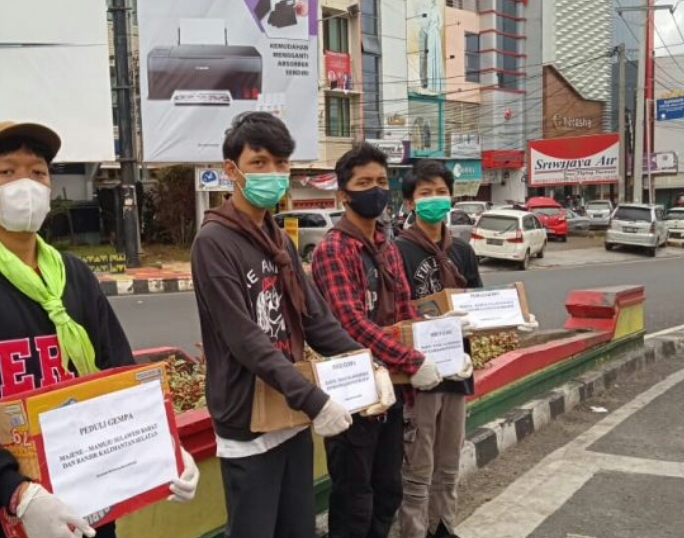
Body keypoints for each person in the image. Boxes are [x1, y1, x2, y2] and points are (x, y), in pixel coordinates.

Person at [0, 121, 199, 538]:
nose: (25, 184)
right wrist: (20, 495)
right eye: (6, 172)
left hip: (89, 513)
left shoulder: (75, 277)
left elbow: (121, 382)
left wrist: (165, 451)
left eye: (38, 172)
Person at [191, 112, 390, 538]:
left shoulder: (278, 239)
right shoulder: (214, 243)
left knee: (297, 529)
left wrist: (369, 366)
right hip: (248, 421)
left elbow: (316, 318)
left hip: (289, 412)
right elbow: (246, 340)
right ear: (232, 170)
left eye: (281, 164)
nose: (274, 174)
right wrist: (317, 401)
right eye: (260, 163)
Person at [395, 159, 536, 538]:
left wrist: (512, 322)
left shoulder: (462, 250)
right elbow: (397, 316)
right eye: (425, 194)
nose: (434, 200)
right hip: (419, 374)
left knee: (449, 459)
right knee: (418, 463)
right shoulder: (397, 252)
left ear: (451, 197)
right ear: (409, 203)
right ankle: (414, 530)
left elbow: (478, 304)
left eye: (441, 192)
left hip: (458, 369)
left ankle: (444, 526)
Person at [310, 143, 444, 538]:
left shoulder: (386, 244)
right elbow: (349, 323)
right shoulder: (334, 249)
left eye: (382, 181)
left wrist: (443, 334)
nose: (376, 189)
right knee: (355, 500)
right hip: (351, 392)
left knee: (388, 491)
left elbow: (406, 310)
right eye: (364, 182)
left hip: (390, 391)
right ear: (344, 194)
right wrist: (411, 360)